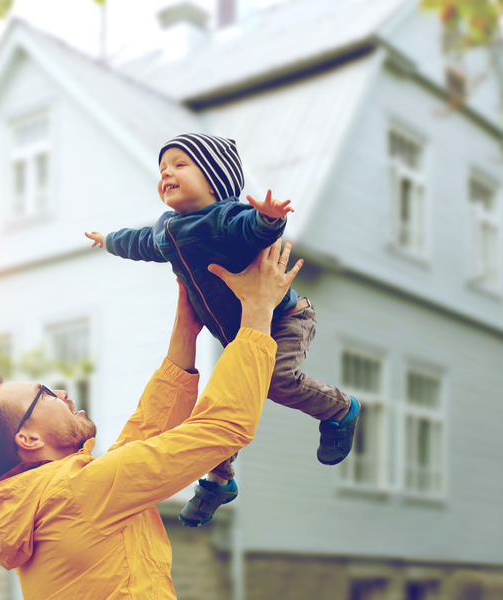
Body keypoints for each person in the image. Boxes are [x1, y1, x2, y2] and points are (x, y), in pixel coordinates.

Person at [0, 239, 301, 600]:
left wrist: (186, 326)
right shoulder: (76, 492)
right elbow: (224, 426)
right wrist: (258, 307)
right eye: (44, 393)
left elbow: (142, 438)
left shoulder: (45, 503)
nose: (62, 394)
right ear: (28, 439)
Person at [85, 133, 360, 528]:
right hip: (241, 336)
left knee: (276, 381)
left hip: (284, 318)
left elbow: (251, 228)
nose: (166, 173)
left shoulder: (224, 217)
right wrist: (109, 240)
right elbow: (139, 241)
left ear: (214, 179)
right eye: (162, 169)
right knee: (222, 402)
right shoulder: (166, 229)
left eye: (180, 164)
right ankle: (219, 481)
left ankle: (340, 409)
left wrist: (269, 218)